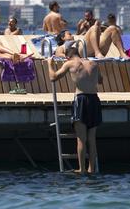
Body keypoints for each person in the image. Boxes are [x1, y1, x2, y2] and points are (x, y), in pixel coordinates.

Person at [48, 42, 102, 174]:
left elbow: (53, 77)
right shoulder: (94, 63)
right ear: (78, 53)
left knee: (81, 138)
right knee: (92, 139)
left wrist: (49, 64)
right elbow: (100, 80)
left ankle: (82, 169)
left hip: (81, 99)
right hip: (94, 100)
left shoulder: (70, 64)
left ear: (67, 57)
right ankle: (92, 169)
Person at [54, 19, 130, 59]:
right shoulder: (63, 46)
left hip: (93, 48)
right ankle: (97, 52)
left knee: (113, 28)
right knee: (94, 28)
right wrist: (66, 56)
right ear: (62, 37)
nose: (72, 35)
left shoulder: (76, 37)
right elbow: (58, 53)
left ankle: (122, 53)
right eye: (69, 34)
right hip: (81, 52)